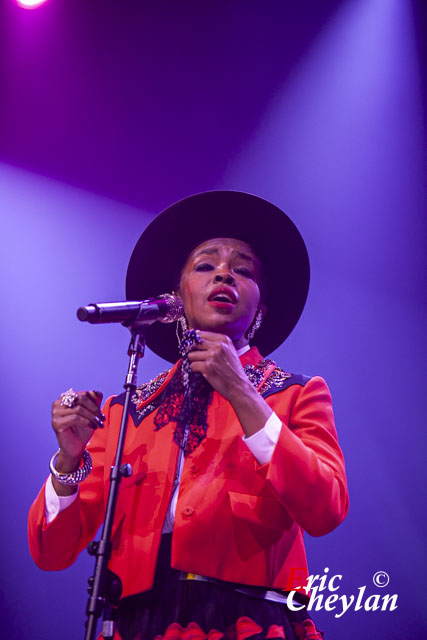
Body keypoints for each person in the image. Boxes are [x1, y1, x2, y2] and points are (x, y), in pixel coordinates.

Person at [28, 191, 349, 640]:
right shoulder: (127, 410)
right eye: (205, 265)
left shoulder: (296, 394)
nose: (224, 273)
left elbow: (326, 508)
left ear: (260, 308)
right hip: (137, 625)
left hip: (248, 621)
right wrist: (67, 461)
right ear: (175, 297)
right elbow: (52, 552)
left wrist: (241, 391)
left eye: (243, 269)